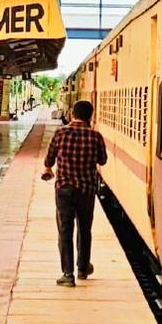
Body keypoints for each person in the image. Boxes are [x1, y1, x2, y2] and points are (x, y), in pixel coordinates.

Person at [42, 100, 107, 288]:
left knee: (65, 230)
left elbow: (49, 158)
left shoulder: (61, 133)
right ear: (90, 117)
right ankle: (83, 268)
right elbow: (102, 161)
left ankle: (67, 274)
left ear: (72, 114)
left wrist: (49, 169)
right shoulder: (96, 136)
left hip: (64, 190)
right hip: (86, 190)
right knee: (85, 230)